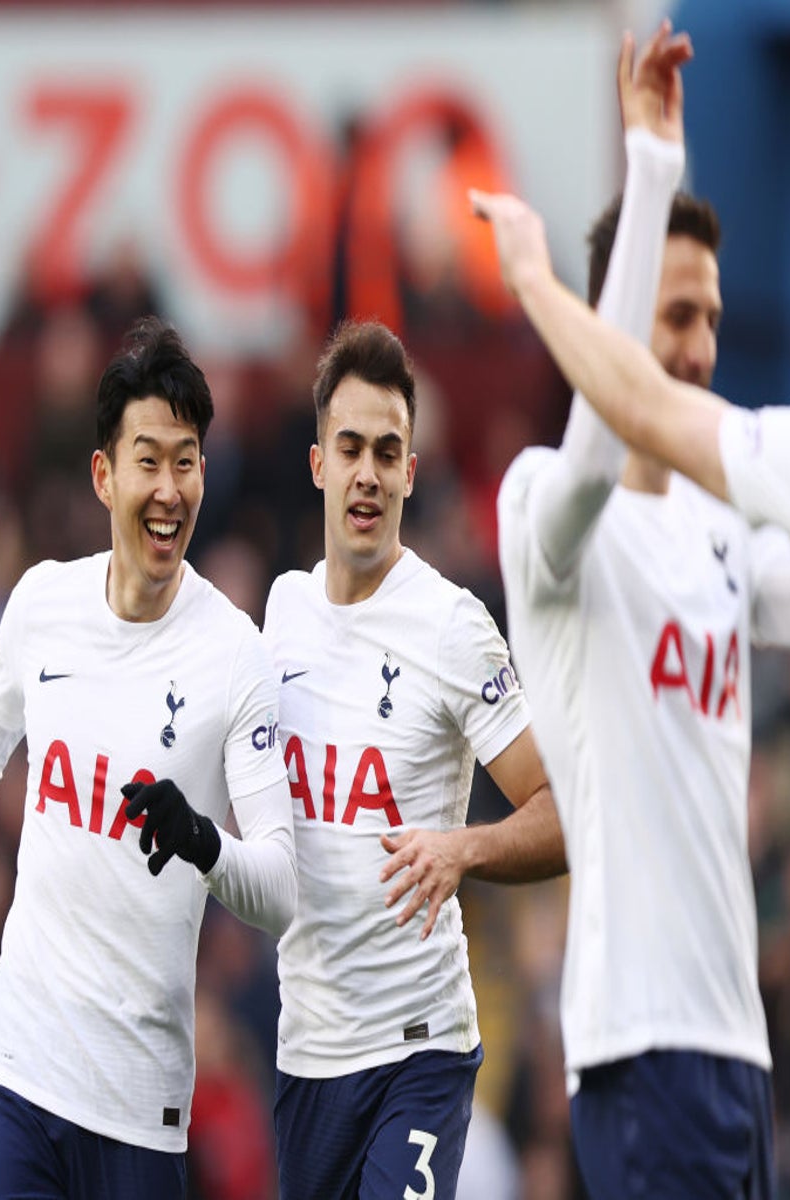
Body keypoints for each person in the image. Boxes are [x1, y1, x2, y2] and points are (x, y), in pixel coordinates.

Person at [471, 48, 790, 1200]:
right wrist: (651, 167)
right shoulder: (550, 511)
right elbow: (608, 426)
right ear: (610, 325)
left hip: (739, 1049)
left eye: (711, 317)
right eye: (676, 315)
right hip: (638, 1042)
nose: (702, 347)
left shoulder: (722, 539)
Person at [0, 317, 297, 1200]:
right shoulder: (42, 604)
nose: (169, 487)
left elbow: (282, 890)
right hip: (19, 1068)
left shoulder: (234, 655)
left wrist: (201, 840)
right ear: (104, 474)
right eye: (149, 459)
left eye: (186, 461)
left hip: (139, 1108)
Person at [262, 317, 567, 1200]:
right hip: (307, 1051)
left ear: (410, 473)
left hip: (419, 1048)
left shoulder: (452, 626)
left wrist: (462, 848)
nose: (367, 472)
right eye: (349, 447)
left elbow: (561, 812)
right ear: (318, 463)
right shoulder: (280, 614)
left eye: (387, 452)